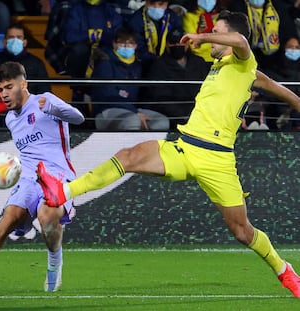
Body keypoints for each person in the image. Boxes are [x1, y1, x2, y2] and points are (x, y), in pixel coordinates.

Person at [36, 10, 300, 298]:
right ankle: (62, 193)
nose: (213, 38)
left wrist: (201, 35)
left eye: (217, 32)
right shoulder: (222, 66)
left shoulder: (244, 62)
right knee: (129, 156)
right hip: (185, 148)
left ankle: (284, 270)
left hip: (218, 159)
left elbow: (241, 42)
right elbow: (284, 92)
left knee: (241, 231)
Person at [0, 61, 85, 293]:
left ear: (23, 84)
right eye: (0, 90)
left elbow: (78, 118)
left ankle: (55, 265)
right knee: (8, 219)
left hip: (57, 175)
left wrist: (55, 110)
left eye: (9, 87)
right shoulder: (10, 119)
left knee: (47, 217)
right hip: (28, 179)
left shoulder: (45, 100)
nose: (4, 94)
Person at [91, 26, 170, 130]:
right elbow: (108, 95)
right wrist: (135, 112)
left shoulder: (138, 65)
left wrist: (138, 111)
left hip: (133, 109)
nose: (126, 46)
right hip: (107, 109)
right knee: (132, 120)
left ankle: (150, 146)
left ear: (136, 46)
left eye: (130, 43)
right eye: (122, 43)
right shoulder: (104, 63)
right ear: (114, 44)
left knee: (162, 122)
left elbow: (143, 95)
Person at [140, 27, 209, 129]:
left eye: (182, 43)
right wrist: (184, 115)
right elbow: (160, 98)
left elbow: (207, 90)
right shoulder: (158, 66)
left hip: (199, 112)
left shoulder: (199, 62)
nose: (178, 46)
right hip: (173, 116)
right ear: (167, 45)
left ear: (187, 44)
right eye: (173, 43)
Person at [127, 0, 183, 74]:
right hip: (144, 65)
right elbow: (139, 48)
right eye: (152, 3)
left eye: (160, 4)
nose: (156, 7)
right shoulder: (136, 20)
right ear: (146, 2)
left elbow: (177, 41)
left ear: (166, 4)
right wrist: (157, 60)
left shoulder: (173, 18)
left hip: (169, 63)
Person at [0, 23, 51, 95]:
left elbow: (44, 91)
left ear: (25, 42)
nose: (15, 40)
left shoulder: (36, 63)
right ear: (4, 42)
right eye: (11, 37)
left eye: (19, 37)